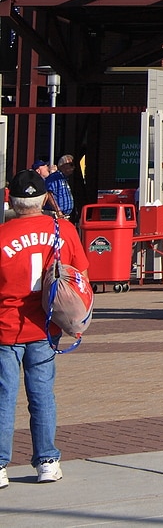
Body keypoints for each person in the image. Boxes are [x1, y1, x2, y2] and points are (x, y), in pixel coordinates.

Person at [0, 169, 88, 486]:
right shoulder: (61, 229)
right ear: (43, 199)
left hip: (6, 328)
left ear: (11, 198)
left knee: (3, 397)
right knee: (42, 397)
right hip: (46, 327)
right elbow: (81, 276)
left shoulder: (2, 235)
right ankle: (47, 462)